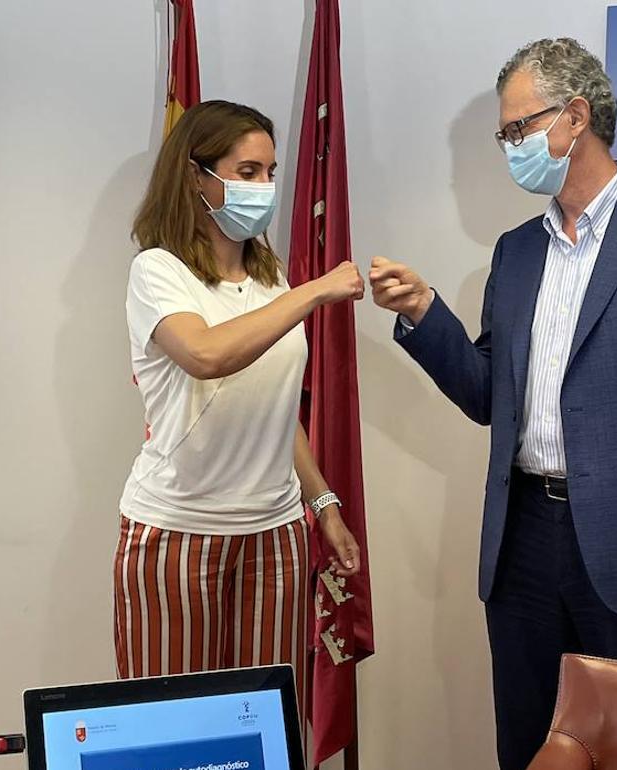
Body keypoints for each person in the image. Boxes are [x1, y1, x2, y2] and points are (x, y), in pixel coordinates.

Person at [370, 39, 617, 769]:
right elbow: (489, 398)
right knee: (530, 748)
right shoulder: (517, 252)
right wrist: (424, 312)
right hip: (522, 547)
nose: (510, 147)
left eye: (519, 129)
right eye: (504, 136)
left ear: (575, 117)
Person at [113, 101, 365, 719]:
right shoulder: (158, 271)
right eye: (247, 171)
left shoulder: (269, 275)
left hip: (274, 534)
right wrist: (316, 290)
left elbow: (275, 407)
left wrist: (324, 504)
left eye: (271, 173)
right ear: (197, 178)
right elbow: (205, 355)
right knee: (172, 729)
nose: (265, 188)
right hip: (176, 534)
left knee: (262, 727)